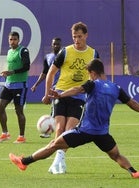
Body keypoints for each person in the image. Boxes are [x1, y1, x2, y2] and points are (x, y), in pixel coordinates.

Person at [9, 59, 139, 178]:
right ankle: (134, 172)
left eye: (89, 73)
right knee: (116, 155)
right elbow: (131, 103)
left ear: (93, 73)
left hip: (84, 131)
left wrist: (61, 94)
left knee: (53, 145)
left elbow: (77, 89)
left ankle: (24, 162)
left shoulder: (93, 84)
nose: (89, 76)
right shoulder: (116, 88)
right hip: (102, 133)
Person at [42, 22, 99, 174]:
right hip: (60, 92)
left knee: (70, 130)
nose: (77, 40)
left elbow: (96, 78)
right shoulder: (65, 52)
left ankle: (57, 160)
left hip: (79, 95)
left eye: (80, 36)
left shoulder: (93, 54)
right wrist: (47, 93)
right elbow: (51, 73)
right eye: (74, 37)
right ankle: (58, 162)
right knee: (60, 127)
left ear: (86, 35)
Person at [0, 31, 30, 144]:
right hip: (9, 84)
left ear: (18, 40)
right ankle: (5, 134)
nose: (12, 41)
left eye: (14, 39)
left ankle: (21, 136)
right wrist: (8, 74)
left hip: (20, 85)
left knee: (18, 110)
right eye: (10, 39)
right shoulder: (9, 51)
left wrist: (12, 72)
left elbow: (26, 66)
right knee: (0, 107)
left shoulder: (23, 50)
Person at [31, 37, 62, 138]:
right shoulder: (48, 57)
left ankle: (50, 131)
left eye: (58, 44)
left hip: (65, 86)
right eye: (55, 44)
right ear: (52, 45)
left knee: (59, 109)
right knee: (55, 109)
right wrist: (36, 84)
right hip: (55, 88)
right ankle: (49, 131)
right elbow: (45, 73)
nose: (56, 46)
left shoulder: (64, 55)